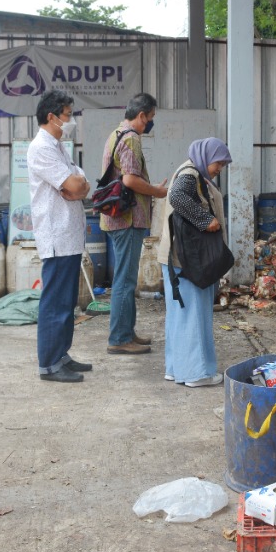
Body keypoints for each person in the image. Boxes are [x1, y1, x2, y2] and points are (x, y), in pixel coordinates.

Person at [26, 90, 94, 383]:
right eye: (68, 115)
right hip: (56, 235)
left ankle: (61, 354)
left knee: (67, 302)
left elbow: (80, 184)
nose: (71, 120)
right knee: (55, 302)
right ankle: (49, 364)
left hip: (68, 234)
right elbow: (71, 184)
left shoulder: (58, 146)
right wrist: (74, 186)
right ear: (51, 117)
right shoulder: (41, 147)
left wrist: (76, 186)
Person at [158, 138, 232, 387]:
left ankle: (177, 368)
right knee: (193, 315)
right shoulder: (190, 174)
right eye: (218, 162)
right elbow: (177, 197)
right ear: (205, 157)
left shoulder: (190, 171)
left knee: (180, 316)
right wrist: (204, 220)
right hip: (186, 261)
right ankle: (195, 374)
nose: (219, 168)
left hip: (177, 258)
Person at [99, 92, 167, 355]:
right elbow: (129, 180)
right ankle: (119, 338)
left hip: (119, 218)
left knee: (126, 279)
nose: (150, 123)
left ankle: (127, 331)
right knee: (125, 281)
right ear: (141, 116)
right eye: (150, 118)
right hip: (127, 219)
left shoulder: (115, 134)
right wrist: (156, 191)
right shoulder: (131, 139)